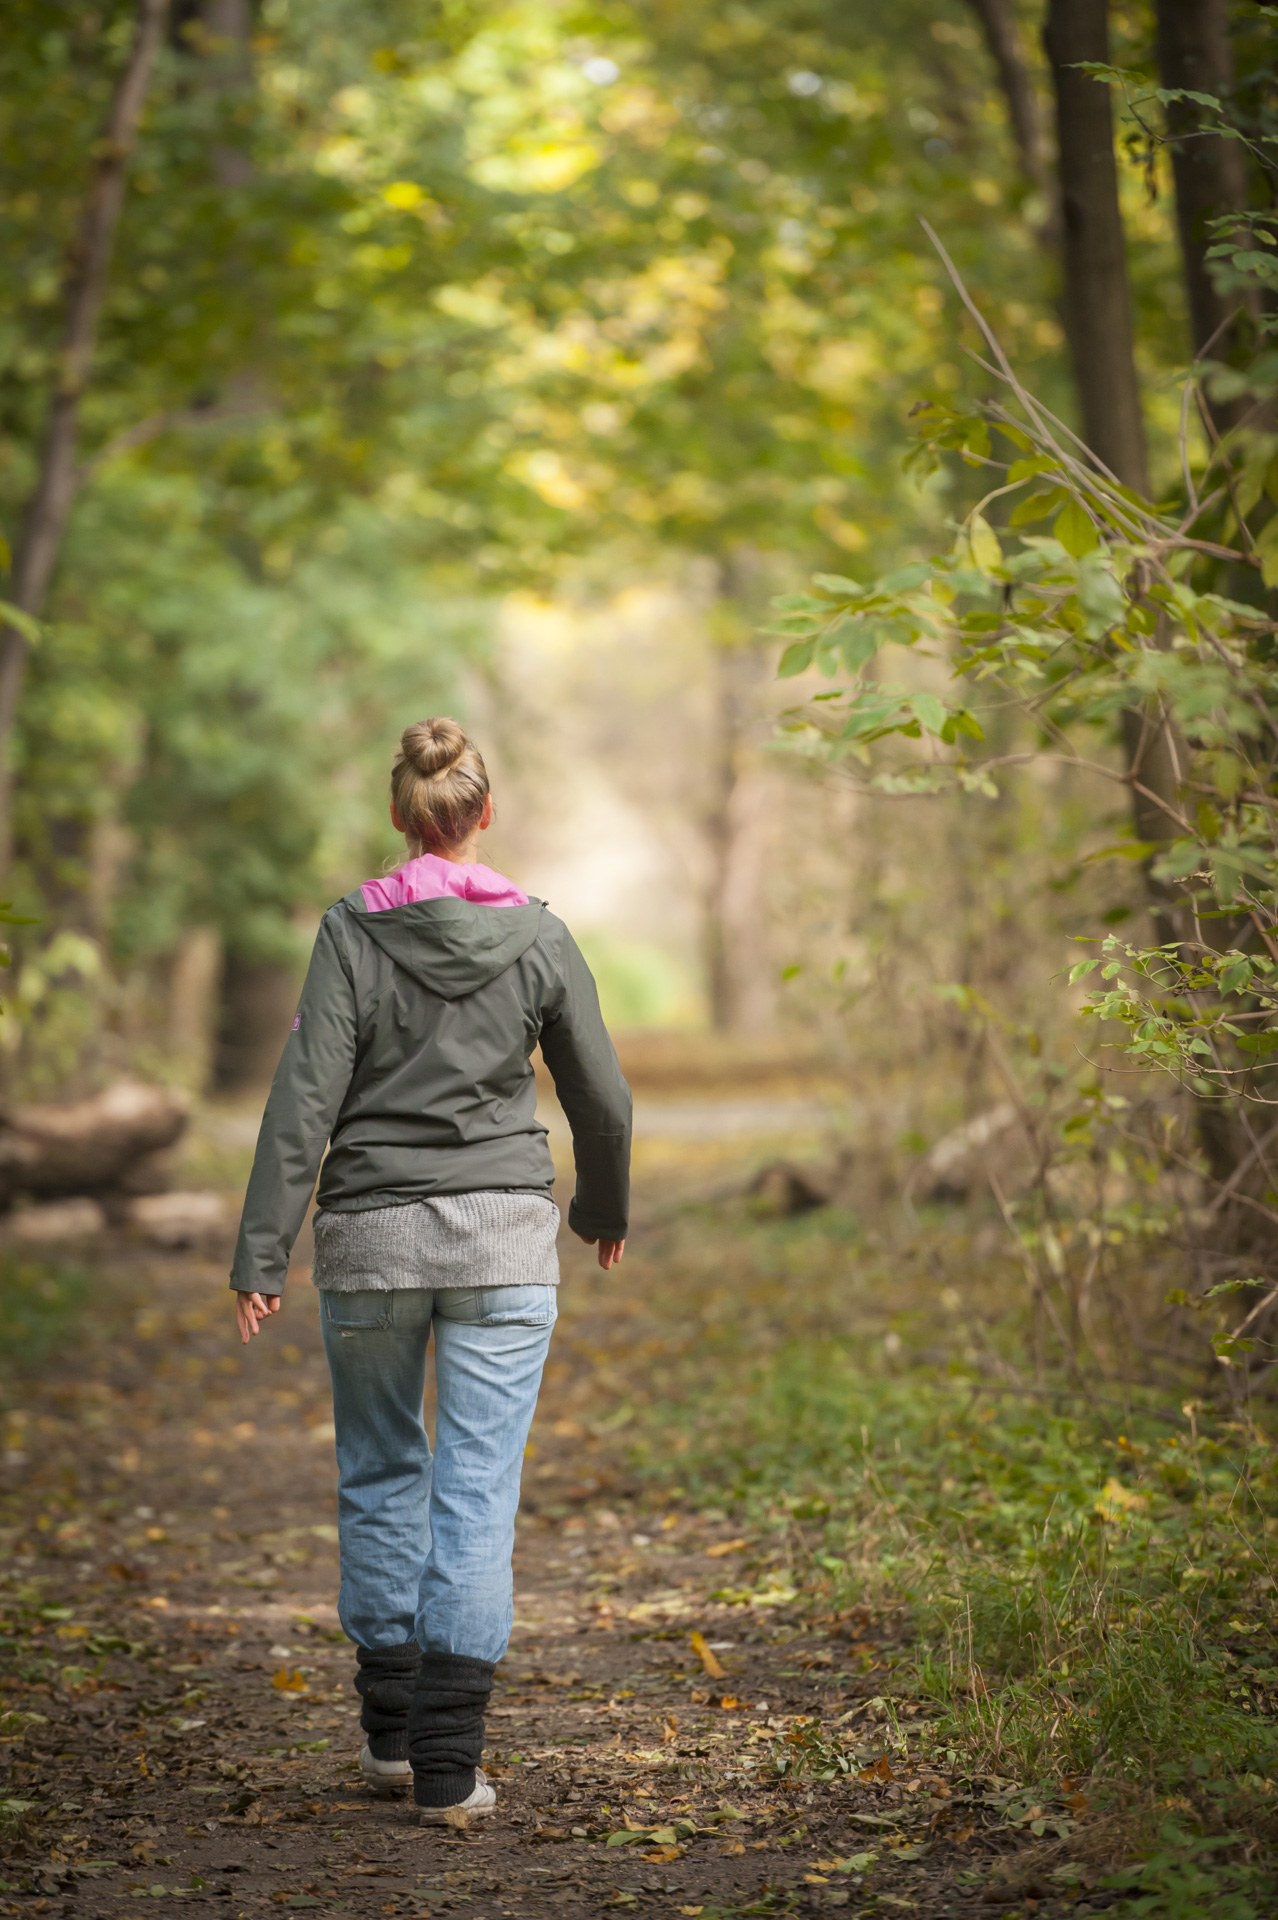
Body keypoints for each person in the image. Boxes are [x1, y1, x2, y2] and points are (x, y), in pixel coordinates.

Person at [229, 717, 631, 1826]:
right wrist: (601, 1205)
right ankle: (450, 1772)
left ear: (400, 815)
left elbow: (303, 1096)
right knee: (476, 1489)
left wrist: (264, 1250)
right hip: (505, 1240)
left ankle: (392, 1741)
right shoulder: (539, 933)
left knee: (379, 1467)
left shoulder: (352, 929)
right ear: (482, 813)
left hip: (370, 1239)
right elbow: (603, 1095)